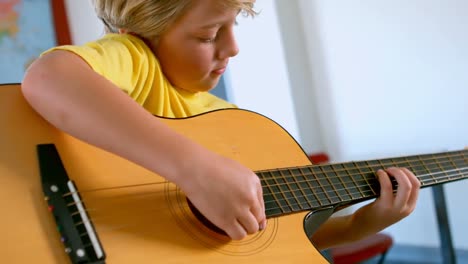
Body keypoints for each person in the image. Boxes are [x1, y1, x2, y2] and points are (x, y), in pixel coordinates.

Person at [21, 0, 420, 250]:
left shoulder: (224, 118)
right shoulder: (135, 58)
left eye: (233, 27)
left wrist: (355, 226)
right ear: (139, 35)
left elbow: (265, 234)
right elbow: (49, 78)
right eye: (210, 34)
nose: (232, 48)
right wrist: (194, 167)